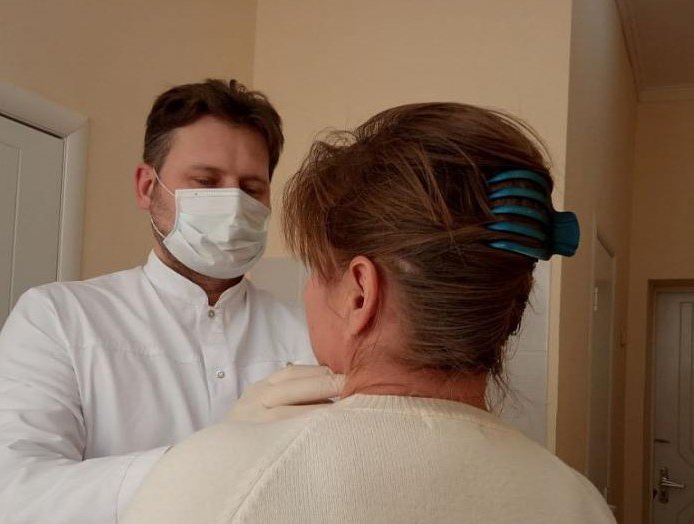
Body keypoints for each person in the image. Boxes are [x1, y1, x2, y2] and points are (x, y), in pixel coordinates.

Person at [121, 102, 615, 523]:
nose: (309, 290)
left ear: (360, 293)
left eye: (317, 270)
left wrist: (227, 456)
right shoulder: (577, 501)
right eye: (206, 180)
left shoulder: (210, 484)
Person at [0, 79, 344, 524]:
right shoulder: (59, 319)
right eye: (205, 182)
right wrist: (212, 457)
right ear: (146, 187)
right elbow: (2, 501)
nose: (232, 205)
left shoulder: (312, 333)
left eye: (251, 189)